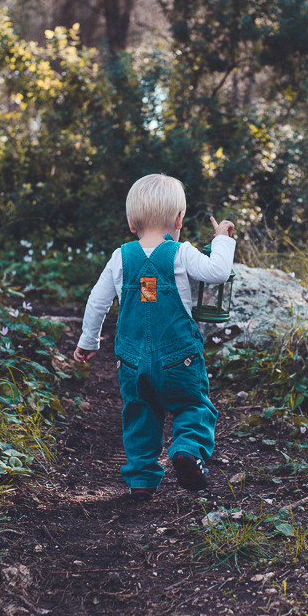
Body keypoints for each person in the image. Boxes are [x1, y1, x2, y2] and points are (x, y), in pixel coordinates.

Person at [74, 173, 235, 501]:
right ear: (179, 219)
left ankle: (141, 480)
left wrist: (88, 341)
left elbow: (97, 301)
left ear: (131, 222)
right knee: (193, 405)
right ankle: (188, 449)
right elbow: (218, 273)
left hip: (132, 362)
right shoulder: (180, 253)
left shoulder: (121, 257)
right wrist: (221, 237)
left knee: (139, 413)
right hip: (179, 357)